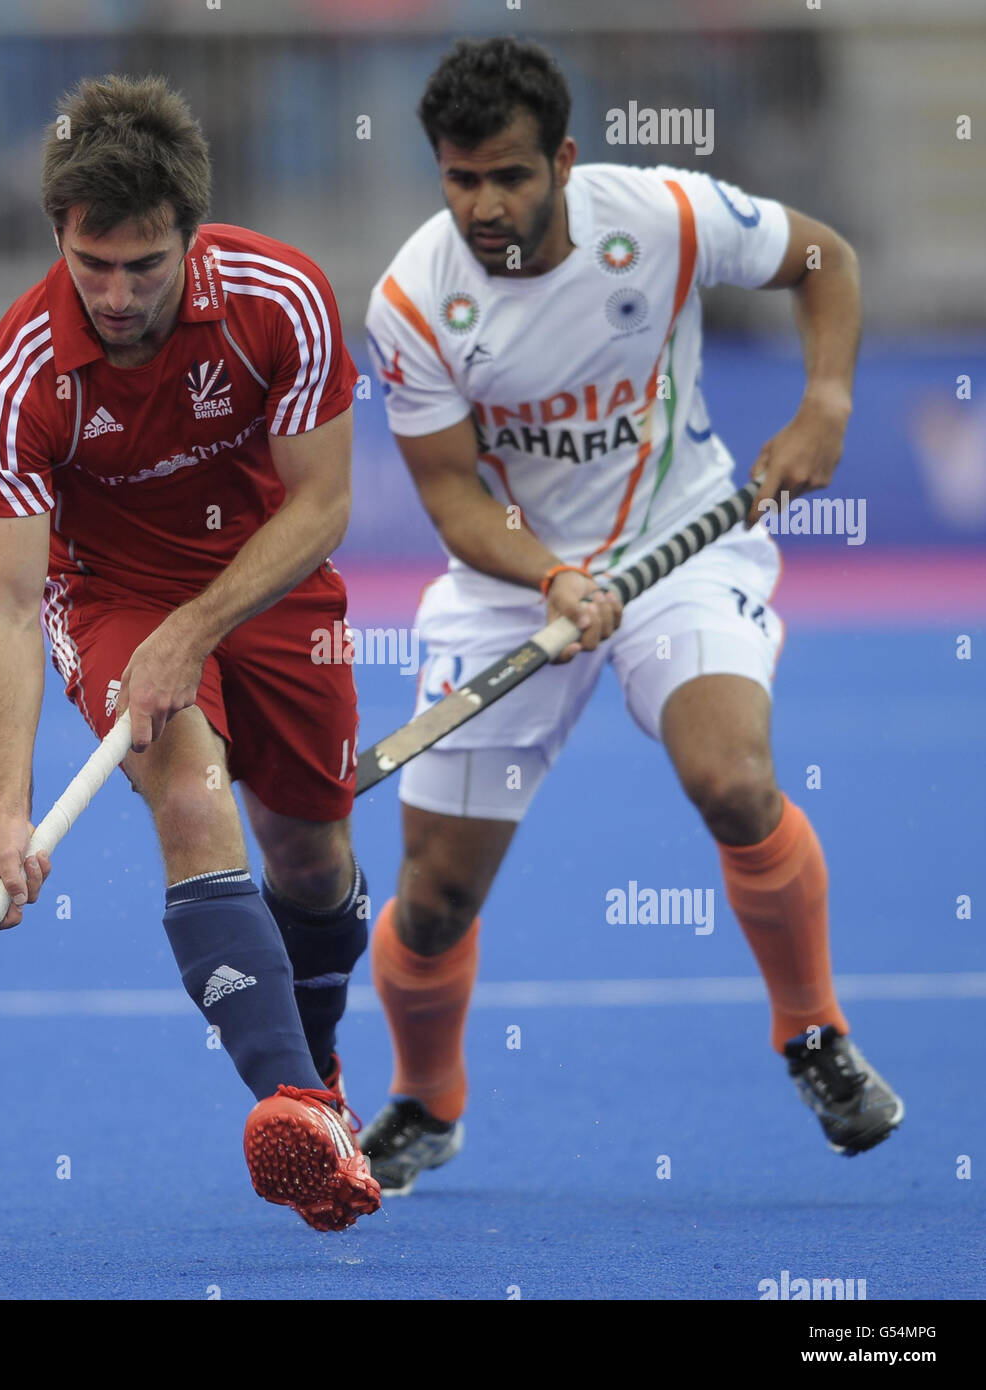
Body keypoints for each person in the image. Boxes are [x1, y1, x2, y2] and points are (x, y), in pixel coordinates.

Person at [360, 36, 903, 1195]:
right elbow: (453, 491)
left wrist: (827, 401)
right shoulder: (414, 299)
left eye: (508, 175)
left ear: (562, 159)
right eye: (460, 180)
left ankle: (814, 1034)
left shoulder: (662, 215)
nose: (485, 204)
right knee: (435, 896)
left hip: (683, 546)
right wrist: (553, 579)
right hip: (513, 585)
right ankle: (426, 1101)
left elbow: (827, 258)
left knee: (733, 780)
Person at [0, 73, 379, 1231]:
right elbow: (4, 609)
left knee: (310, 865)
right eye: (94, 265)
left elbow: (324, 504)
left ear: (192, 236)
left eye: (147, 266)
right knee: (191, 795)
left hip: (271, 575)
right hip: (109, 597)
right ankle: (292, 1101)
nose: (119, 293)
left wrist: (197, 630)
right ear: (60, 235)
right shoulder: (17, 382)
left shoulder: (280, 296)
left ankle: (321, 1068)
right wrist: (7, 813)